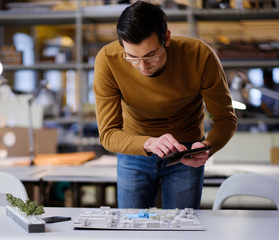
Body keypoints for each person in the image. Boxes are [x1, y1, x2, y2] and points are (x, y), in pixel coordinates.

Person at [93, 1, 237, 209]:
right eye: (132, 58)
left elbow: (226, 119)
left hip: (186, 152)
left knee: (181, 228)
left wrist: (207, 147)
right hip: (134, 151)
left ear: (167, 38)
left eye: (151, 55)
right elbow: (107, 134)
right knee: (131, 228)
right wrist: (149, 143)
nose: (143, 67)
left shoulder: (199, 56)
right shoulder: (108, 60)